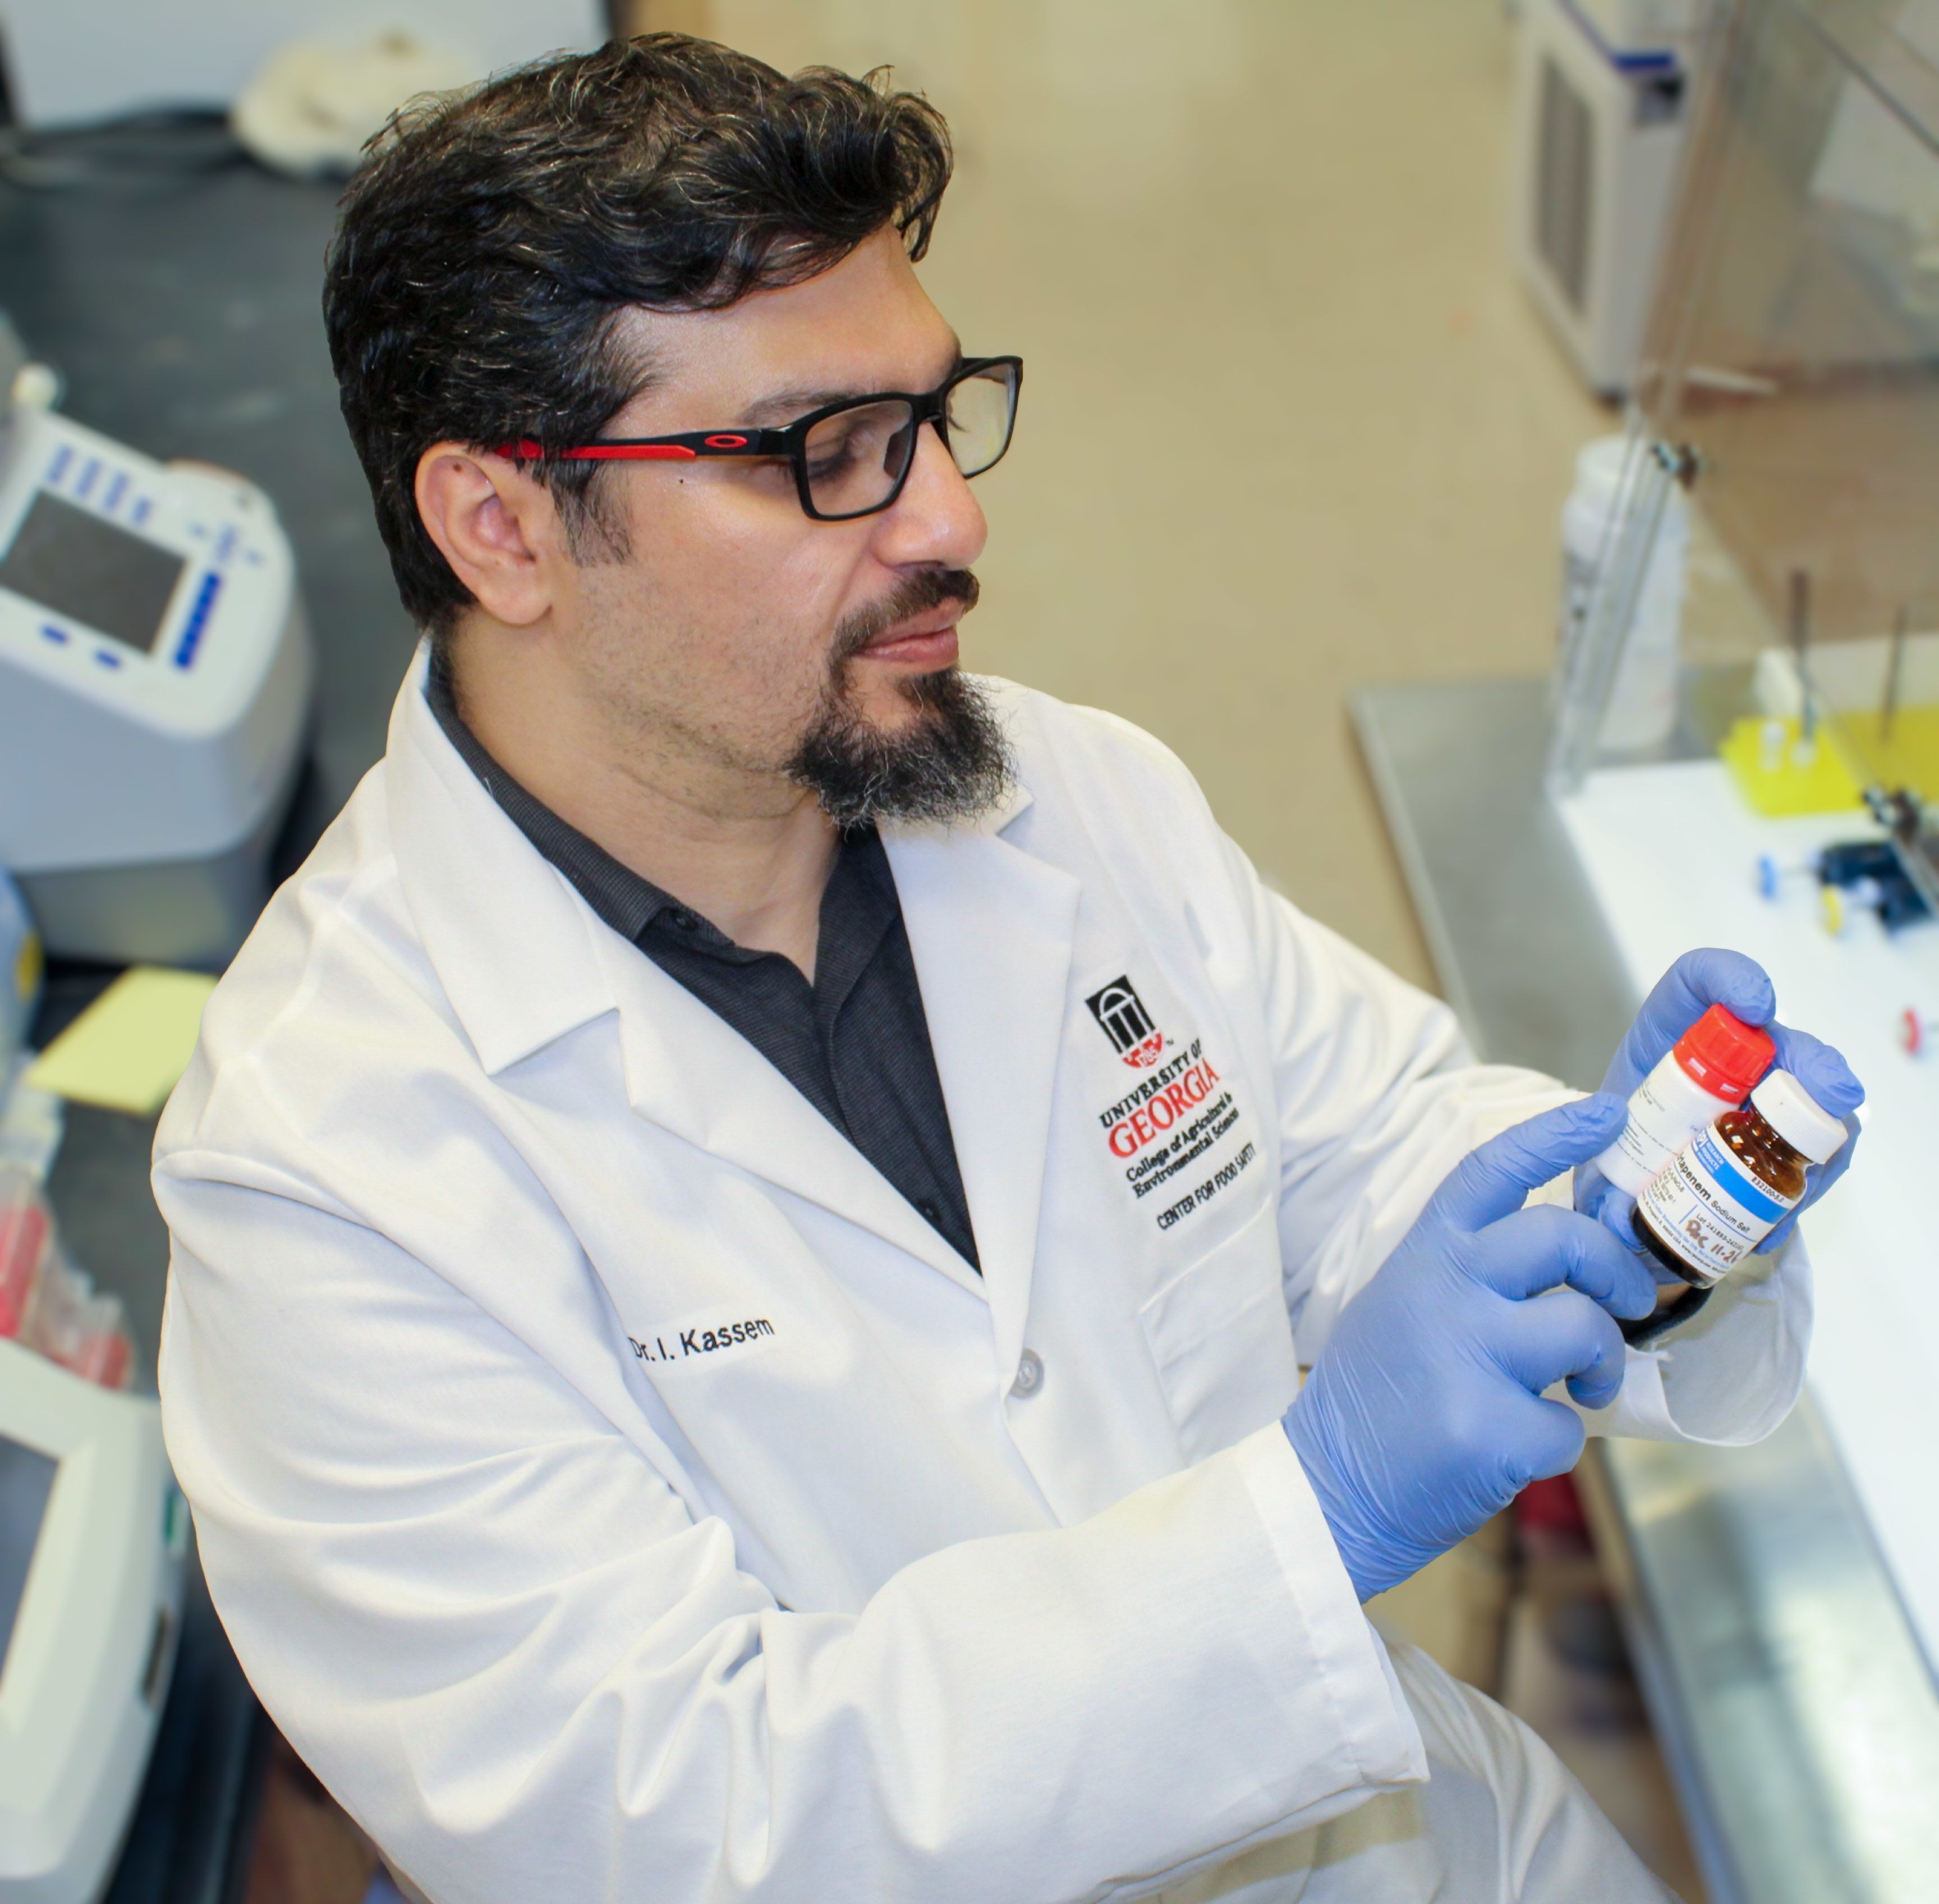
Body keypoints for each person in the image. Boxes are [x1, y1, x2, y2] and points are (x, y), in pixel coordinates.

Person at [153, 37, 1862, 1904]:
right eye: (826, 455)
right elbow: (673, 1822)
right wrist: (1321, 1510)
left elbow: (1369, 1148)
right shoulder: (325, 1163)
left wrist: (1626, 1221)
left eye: (939, 411)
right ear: (502, 526)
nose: (951, 520)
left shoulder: (1051, 793)